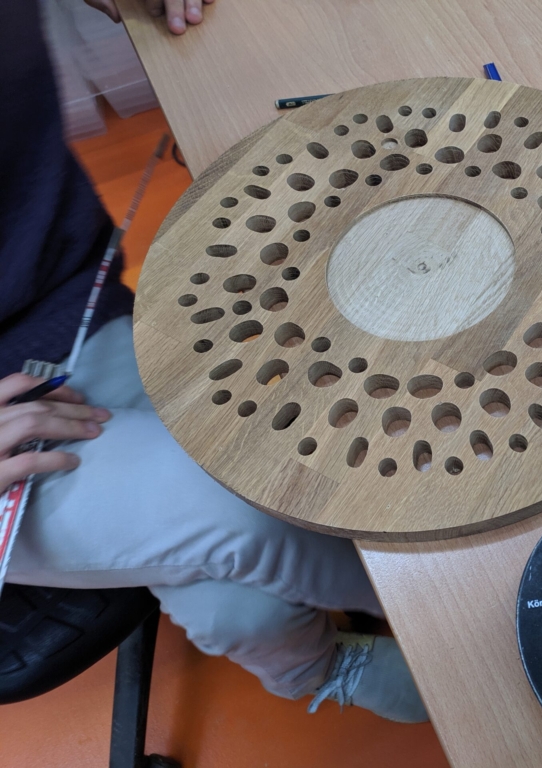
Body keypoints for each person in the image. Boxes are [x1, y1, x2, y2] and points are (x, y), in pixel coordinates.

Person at [0, 0, 427, 723]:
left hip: (65, 296)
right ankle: (485, 619)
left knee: (242, 599)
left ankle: (314, 665)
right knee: (261, 505)